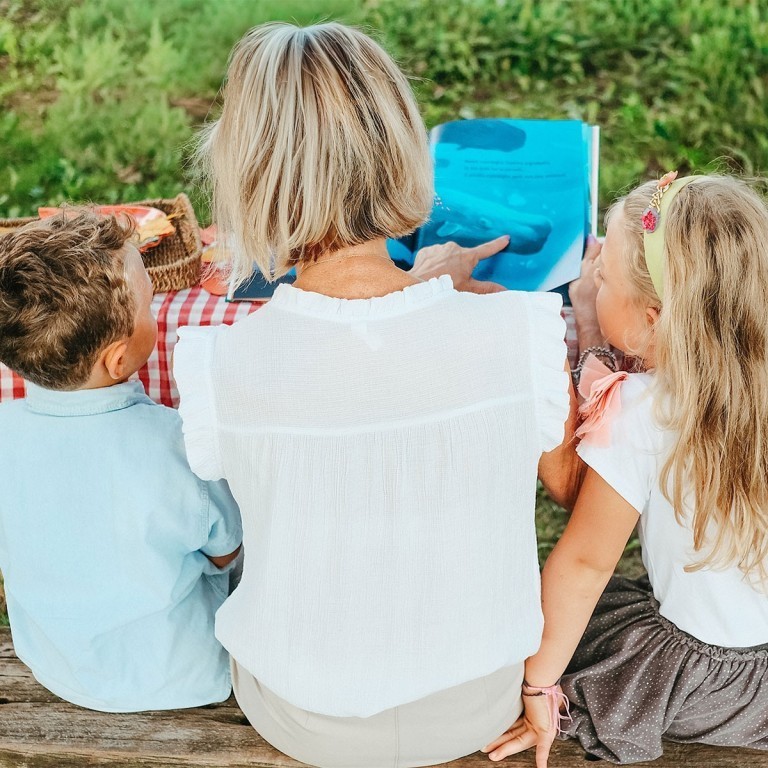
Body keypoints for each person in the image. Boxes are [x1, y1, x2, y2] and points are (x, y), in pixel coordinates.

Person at [173, 21, 579, 768]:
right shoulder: (521, 332)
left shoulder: (217, 362)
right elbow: (567, 486)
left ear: (247, 176)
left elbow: (348, 365)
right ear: (401, 151)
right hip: (477, 703)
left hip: (300, 716)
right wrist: (432, 296)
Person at [485, 173, 768, 766]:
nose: (592, 281)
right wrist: (598, 314)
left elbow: (585, 565)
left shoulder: (647, 409)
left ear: (656, 316)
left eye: (604, 277)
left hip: (704, 683)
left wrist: (538, 687)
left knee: (519, 616)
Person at [0, 212, 242, 712]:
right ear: (117, 360)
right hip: (183, 671)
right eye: (150, 303)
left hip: (57, 661)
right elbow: (227, 550)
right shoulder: (175, 446)